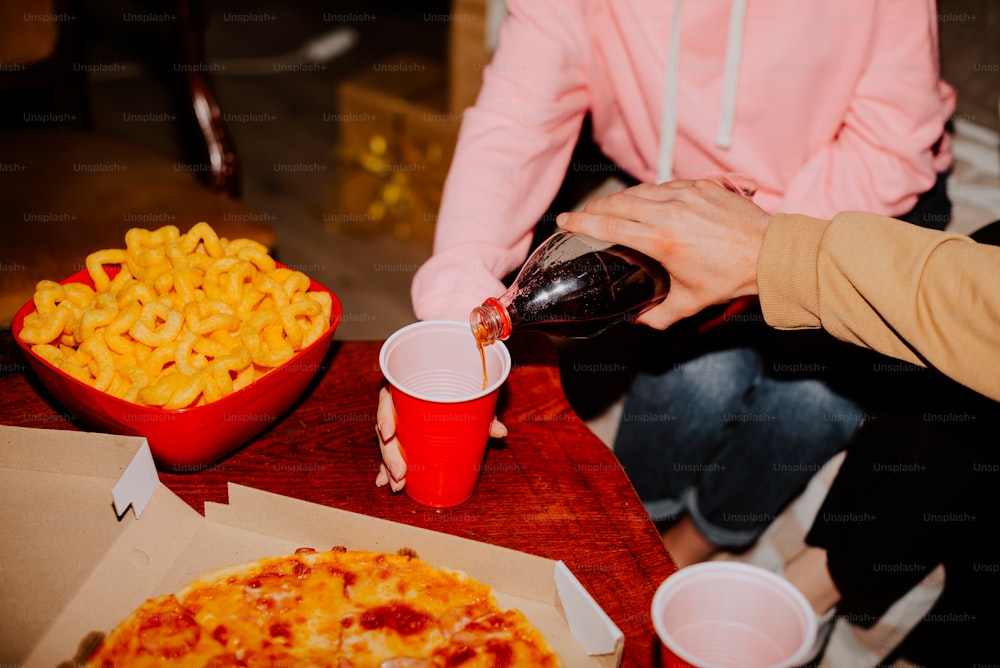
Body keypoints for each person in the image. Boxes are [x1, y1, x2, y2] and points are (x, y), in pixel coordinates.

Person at [378, 0, 956, 565]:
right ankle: (637, 529)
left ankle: (698, 542)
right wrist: (453, 313)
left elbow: (891, 145)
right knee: (694, 384)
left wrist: (757, 250)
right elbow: (516, 121)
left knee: (809, 403)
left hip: (856, 206)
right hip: (683, 208)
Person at [556, 177, 1000, 664]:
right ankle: (649, 532)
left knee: (812, 402)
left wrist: (775, 244)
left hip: (832, 223)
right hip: (785, 239)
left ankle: (753, 561)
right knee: (701, 375)